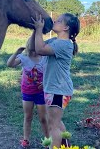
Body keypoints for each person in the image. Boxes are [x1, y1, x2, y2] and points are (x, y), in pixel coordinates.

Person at [31, 13, 80, 148]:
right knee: (56, 122)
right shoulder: (54, 41)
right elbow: (34, 47)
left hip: (58, 90)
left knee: (53, 125)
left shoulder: (64, 44)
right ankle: (66, 145)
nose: (54, 21)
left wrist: (40, 30)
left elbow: (40, 49)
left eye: (58, 21)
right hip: (54, 88)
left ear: (66, 28)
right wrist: (36, 30)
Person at [7, 36, 49, 149]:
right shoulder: (23, 58)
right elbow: (9, 64)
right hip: (27, 92)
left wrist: (45, 83)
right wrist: (16, 52)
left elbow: (50, 73)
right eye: (32, 46)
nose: (34, 49)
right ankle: (26, 140)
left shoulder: (45, 58)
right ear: (29, 46)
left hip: (41, 93)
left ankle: (48, 140)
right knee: (28, 116)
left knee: (43, 118)